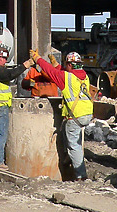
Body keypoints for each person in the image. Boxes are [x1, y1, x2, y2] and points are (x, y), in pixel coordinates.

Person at [31, 49, 93, 180]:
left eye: (66, 65)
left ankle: (81, 176)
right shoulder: (84, 76)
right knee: (66, 129)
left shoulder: (66, 77)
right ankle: (68, 156)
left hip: (75, 116)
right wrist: (56, 64)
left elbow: (51, 72)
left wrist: (38, 59)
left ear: (69, 65)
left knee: (74, 146)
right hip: (86, 113)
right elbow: (61, 72)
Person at [0, 46, 30, 170]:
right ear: (1, 58)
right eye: (5, 59)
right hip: (0, 105)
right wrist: (25, 65)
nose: (5, 62)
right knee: (2, 135)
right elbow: (10, 75)